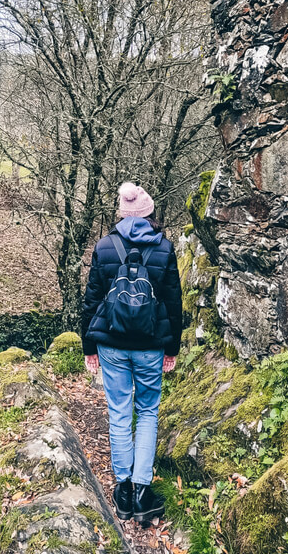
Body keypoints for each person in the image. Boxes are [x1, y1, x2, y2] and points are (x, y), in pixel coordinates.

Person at [81, 182, 182, 524]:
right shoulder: (166, 249)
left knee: (120, 412)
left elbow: (92, 300)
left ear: (123, 214)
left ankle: (123, 493)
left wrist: (89, 346)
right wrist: (172, 348)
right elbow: (173, 304)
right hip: (151, 345)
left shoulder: (105, 246)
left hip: (111, 344)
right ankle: (142, 491)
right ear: (149, 213)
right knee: (148, 412)